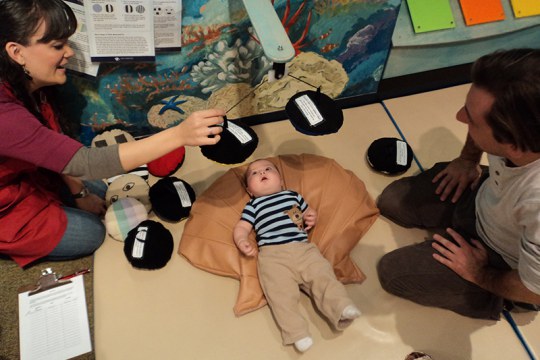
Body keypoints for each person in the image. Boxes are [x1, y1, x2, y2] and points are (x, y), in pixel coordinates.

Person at [0, 0, 225, 267]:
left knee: (99, 188)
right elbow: (86, 162)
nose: (70, 53)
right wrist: (179, 135)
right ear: (16, 52)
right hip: (8, 199)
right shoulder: (5, 115)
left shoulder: (29, 86)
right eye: (57, 46)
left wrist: (78, 195)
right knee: (92, 232)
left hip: (30, 173)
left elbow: (54, 147)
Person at [376, 48, 540, 320]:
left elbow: (535, 289)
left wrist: (480, 274)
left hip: (503, 263)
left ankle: (496, 300)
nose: (459, 118)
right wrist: (467, 160)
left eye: (472, 121)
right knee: (392, 201)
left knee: (393, 273)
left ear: (512, 143)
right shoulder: (524, 129)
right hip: (488, 199)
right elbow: (475, 117)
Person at [233, 159, 361, 352]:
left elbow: (308, 212)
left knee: (323, 276)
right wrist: (242, 240)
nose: (262, 173)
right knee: (280, 296)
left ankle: (341, 307)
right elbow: (242, 227)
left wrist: (311, 216)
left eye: (268, 169)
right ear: (250, 190)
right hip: (272, 256)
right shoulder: (254, 205)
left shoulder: (292, 195)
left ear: (281, 181)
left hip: (303, 249)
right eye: (254, 173)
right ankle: (297, 333)